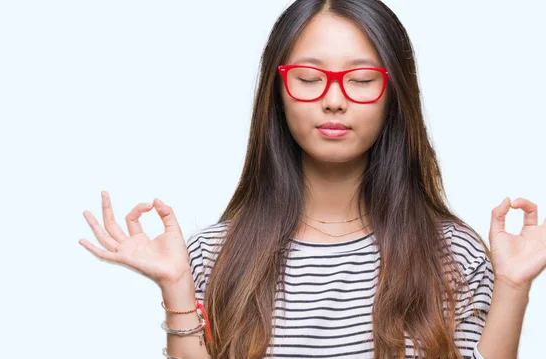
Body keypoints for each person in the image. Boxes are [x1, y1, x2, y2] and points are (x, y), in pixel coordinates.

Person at [78, 0, 546, 358]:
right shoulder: (211, 255)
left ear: (393, 95)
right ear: (278, 91)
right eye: (308, 77)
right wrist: (177, 284)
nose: (335, 100)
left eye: (361, 78)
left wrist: (513, 286)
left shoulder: (451, 253)